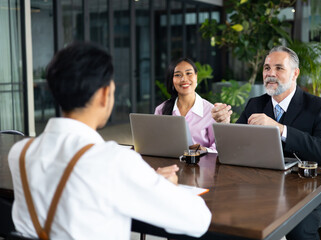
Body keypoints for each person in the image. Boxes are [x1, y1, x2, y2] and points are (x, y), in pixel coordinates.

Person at [8, 42, 211, 240]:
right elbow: (199, 220)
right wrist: (163, 186)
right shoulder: (114, 161)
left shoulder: (21, 152)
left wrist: (143, 180)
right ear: (105, 95)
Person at [212, 46, 321, 240]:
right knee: (223, 219)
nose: (271, 73)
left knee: (300, 230)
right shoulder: (255, 104)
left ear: (295, 73)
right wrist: (224, 125)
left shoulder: (319, 108)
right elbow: (233, 150)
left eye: (279, 68)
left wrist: (280, 129)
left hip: (304, 190)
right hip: (258, 187)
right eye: (267, 68)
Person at [154, 57, 216, 153]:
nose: (184, 79)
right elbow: (155, 142)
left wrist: (204, 150)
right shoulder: (161, 109)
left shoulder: (211, 111)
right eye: (178, 75)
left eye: (189, 73)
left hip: (201, 164)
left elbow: (218, 147)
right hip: (169, 163)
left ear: (196, 76)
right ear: (172, 80)